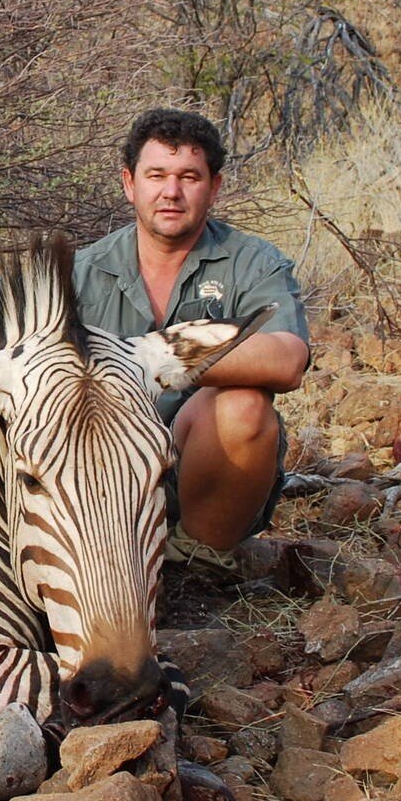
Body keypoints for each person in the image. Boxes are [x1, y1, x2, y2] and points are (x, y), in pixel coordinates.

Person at [73, 108, 311, 560]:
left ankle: (195, 563)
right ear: (129, 183)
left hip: (195, 471)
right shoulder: (78, 270)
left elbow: (287, 359)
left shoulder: (254, 261)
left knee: (245, 406)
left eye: (189, 177)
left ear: (214, 187)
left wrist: (152, 358)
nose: (171, 192)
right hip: (98, 476)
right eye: (156, 175)